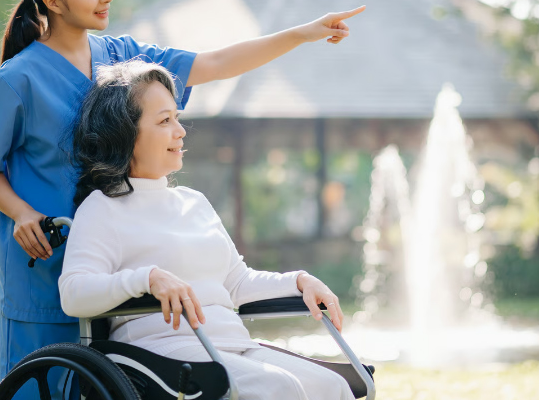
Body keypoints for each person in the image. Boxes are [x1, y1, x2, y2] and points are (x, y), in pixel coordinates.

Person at [0, 0, 364, 396]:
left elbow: (213, 63)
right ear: (52, 0)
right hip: (48, 255)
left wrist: (302, 33)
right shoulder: (17, 80)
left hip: (128, 249)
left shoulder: (120, 58)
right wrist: (21, 212)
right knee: (43, 387)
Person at [59, 60, 353, 400]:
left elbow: (237, 283)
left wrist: (298, 281)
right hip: (161, 358)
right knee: (280, 388)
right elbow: (74, 293)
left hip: (231, 346)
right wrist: (147, 278)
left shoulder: (193, 202)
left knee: (334, 387)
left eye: (177, 118)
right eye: (164, 121)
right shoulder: (103, 207)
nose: (180, 131)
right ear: (126, 133)